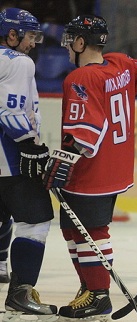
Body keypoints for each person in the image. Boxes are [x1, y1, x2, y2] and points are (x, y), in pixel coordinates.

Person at [41, 14, 137, 320]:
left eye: (71, 41)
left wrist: (63, 159)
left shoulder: (80, 79)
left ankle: (99, 296)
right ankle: (88, 289)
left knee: (92, 232)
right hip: (117, 168)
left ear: (82, 43)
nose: (68, 48)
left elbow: (86, 133)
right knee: (73, 230)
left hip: (91, 170)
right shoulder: (120, 63)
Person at [0, 7, 59, 320]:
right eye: (30, 36)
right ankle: (21, 294)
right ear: (12, 34)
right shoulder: (17, 61)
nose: (34, 43)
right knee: (34, 222)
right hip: (9, 163)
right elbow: (9, 110)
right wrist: (30, 146)